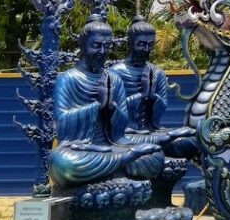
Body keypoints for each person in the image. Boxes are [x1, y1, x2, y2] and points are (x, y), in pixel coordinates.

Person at [49, 15, 164, 189]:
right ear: (83, 44)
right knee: (61, 164)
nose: (102, 51)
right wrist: (97, 106)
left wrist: (112, 109)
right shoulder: (68, 78)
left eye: (107, 46)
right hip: (80, 151)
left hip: (111, 147)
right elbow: (62, 125)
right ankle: (122, 162)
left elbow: (122, 128)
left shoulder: (113, 79)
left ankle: (120, 162)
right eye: (96, 45)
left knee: (155, 155)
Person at [110, 17, 197, 159]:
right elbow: (113, 113)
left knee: (191, 142)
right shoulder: (115, 73)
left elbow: (161, 109)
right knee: (149, 152)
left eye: (150, 45)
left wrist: (153, 97)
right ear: (131, 43)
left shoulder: (157, 73)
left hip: (151, 131)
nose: (146, 49)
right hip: (126, 134)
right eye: (141, 44)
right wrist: (141, 96)